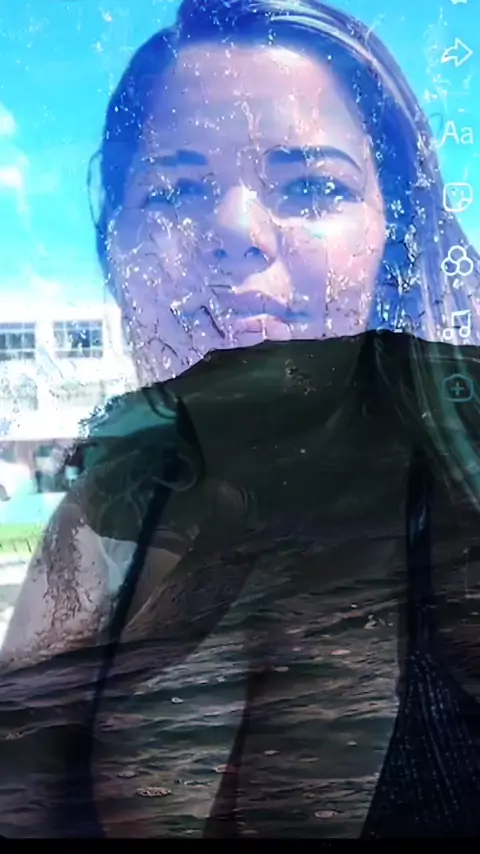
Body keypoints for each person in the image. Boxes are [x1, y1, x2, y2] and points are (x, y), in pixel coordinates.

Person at [1, 0, 480, 839]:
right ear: (114, 243)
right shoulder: (104, 512)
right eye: (175, 190)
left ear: (392, 235)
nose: (235, 233)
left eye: (313, 185)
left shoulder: (465, 487)